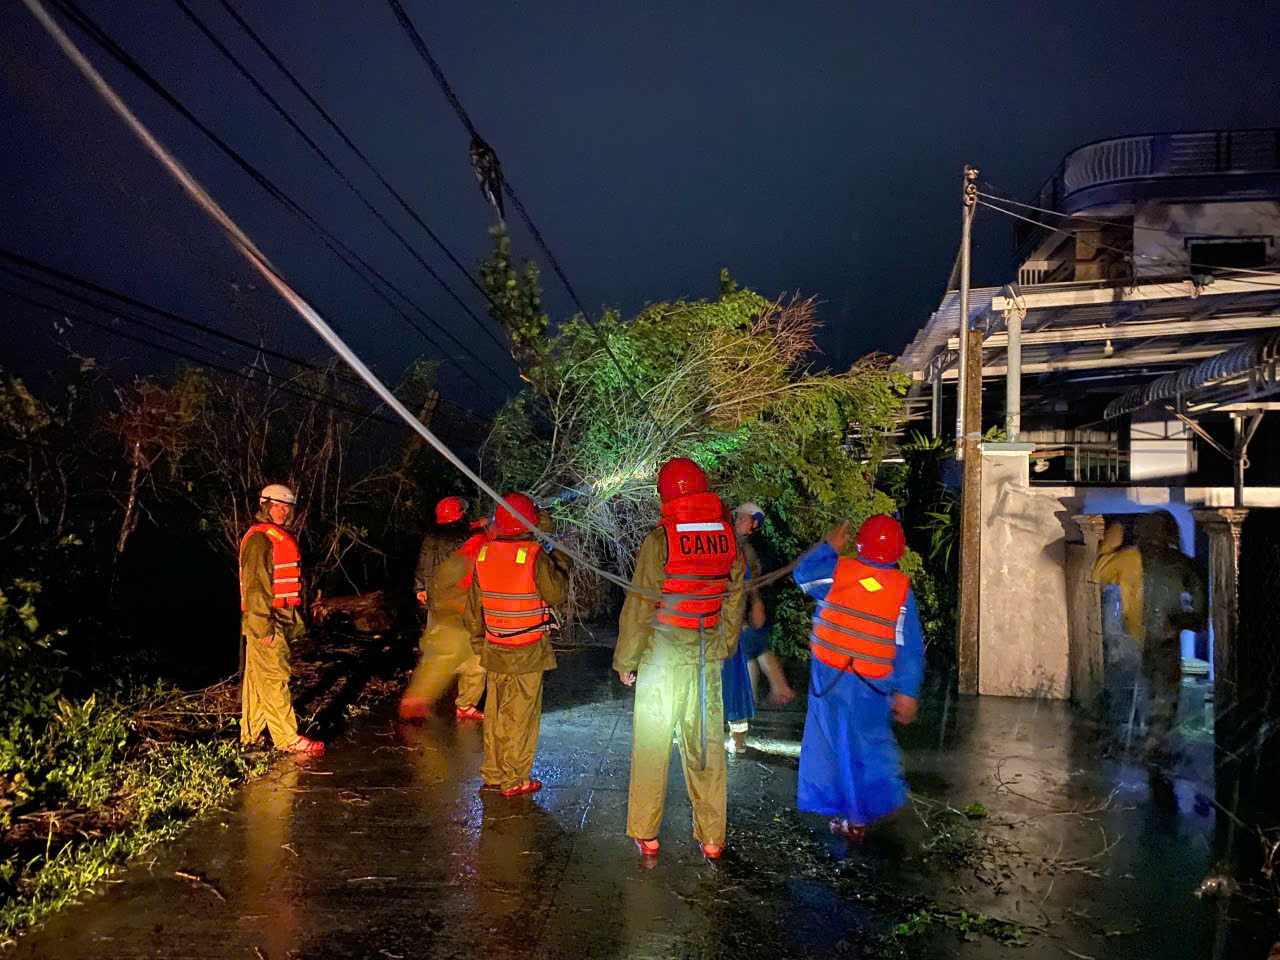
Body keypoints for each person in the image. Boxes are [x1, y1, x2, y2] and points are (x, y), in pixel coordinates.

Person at [614, 458, 746, 859]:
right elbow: (733, 598)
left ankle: (647, 834)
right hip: (705, 654)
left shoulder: (661, 540)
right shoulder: (727, 537)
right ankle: (712, 838)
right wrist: (722, 649)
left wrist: (626, 660)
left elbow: (641, 605)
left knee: (653, 745)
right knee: (706, 746)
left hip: (663, 657)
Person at [792, 514, 923, 841]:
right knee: (864, 749)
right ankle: (858, 814)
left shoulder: (837, 571)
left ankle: (846, 813)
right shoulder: (900, 590)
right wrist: (907, 692)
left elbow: (802, 575)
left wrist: (829, 548)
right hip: (869, 688)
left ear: (860, 543)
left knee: (828, 747)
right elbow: (909, 647)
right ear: (898, 550)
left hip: (828, 683)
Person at [465, 492, 569, 797]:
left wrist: (478, 643)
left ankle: (495, 773)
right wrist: (559, 554)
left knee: (496, 713)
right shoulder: (535, 554)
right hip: (527, 650)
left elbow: (474, 610)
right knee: (521, 716)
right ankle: (515, 779)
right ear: (529, 523)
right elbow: (557, 594)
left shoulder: (485, 553)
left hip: (495, 648)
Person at [1093, 510, 1207, 776]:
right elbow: (1200, 612)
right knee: (1165, 693)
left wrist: (1112, 539)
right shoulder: (1182, 562)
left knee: (1139, 688)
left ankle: (1146, 742)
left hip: (1134, 638)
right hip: (1167, 636)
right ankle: (1157, 742)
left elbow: (1098, 573)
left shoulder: (1128, 558)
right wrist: (1183, 621)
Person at [239, 483, 323, 755]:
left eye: (287, 506)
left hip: (276, 618)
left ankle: (250, 735)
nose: (283, 511)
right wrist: (262, 625)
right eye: (277, 505)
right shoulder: (260, 539)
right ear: (264, 505)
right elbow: (255, 587)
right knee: (275, 677)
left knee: (256, 680)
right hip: (267, 621)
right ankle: (287, 738)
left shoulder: (275, 537)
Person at [399, 497, 489, 721]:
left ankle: (423, 698)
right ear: (460, 516)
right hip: (461, 606)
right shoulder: (467, 539)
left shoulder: (431, 537)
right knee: (475, 657)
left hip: (435, 604)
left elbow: (422, 564)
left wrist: (420, 587)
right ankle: (459, 703)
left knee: (436, 652)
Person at [722, 502, 796, 754]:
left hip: (747, 617)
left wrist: (753, 608)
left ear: (754, 522)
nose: (736, 520)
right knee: (749, 658)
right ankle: (757, 701)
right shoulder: (736, 543)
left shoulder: (756, 549)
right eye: (735, 516)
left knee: (745, 659)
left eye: (740, 517)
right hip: (740, 617)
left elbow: (752, 584)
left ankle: (744, 722)